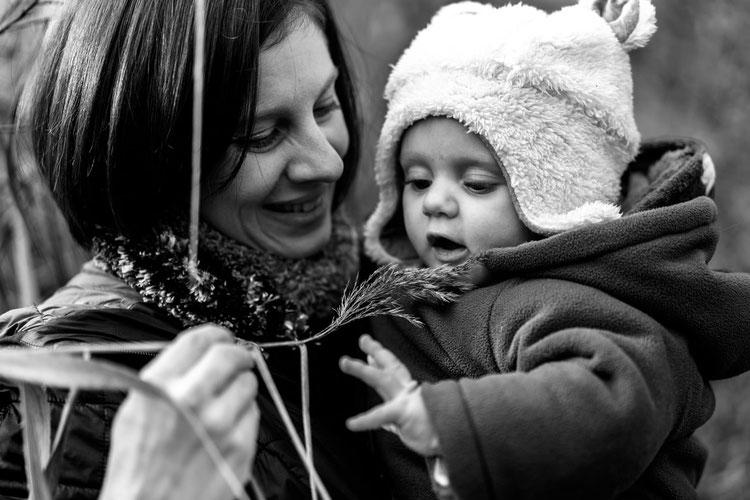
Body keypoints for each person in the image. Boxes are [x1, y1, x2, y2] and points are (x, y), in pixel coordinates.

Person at [340, 1, 750, 499]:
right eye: (418, 179)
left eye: (475, 184)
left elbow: (613, 396)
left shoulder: (551, 299)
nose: (435, 203)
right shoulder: (427, 284)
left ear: (553, 196)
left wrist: (455, 427)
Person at [0, 0, 386, 498]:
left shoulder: (369, 294)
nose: (326, 162)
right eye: (261, 135)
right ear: (150, 157)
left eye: (325, 106)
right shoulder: (62, 397)